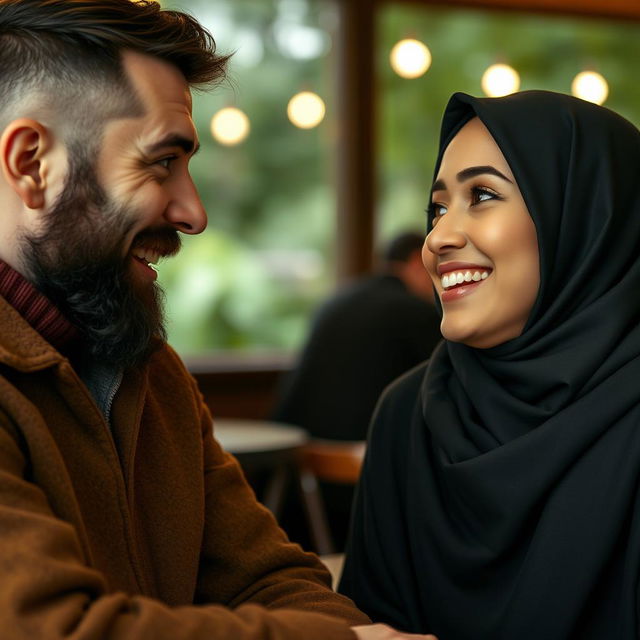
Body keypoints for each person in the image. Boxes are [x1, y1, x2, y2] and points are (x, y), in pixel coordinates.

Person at [0, 2, 441, 639]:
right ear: (31, 164)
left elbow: (269, 578)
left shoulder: (155, 376)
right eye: (160, 161)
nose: (194, 212)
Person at [339, 90, 640, 639]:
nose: (439, 238)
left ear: (584, 218)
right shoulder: (408, 415)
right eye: (437, 207)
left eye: (481, 194)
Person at [273, 231, 441, 442]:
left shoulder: (337, 298)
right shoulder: (413, 309)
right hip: (359, 446)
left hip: (300, 443)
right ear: (418, 260)